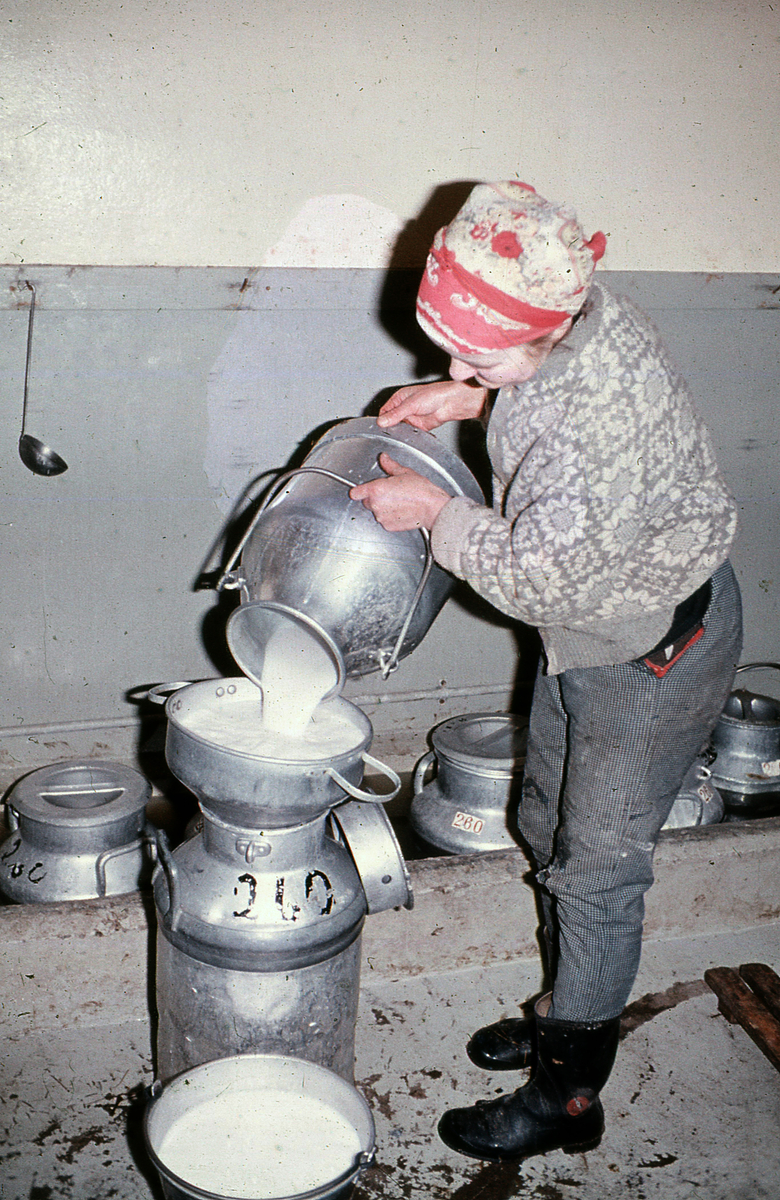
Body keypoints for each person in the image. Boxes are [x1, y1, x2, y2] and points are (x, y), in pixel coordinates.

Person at [349, 181, 743, 1162]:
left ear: (545, 332)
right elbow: (540, 393)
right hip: (598, 627)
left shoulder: (596, 424)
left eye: (474, 355)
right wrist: (471, 390)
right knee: (543, 822)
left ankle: (569, 1095)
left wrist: (436, 517)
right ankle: (572, 1003)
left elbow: (544, 578)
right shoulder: (578, 317)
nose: (452, 365)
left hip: (648, 648)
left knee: (597, 876)